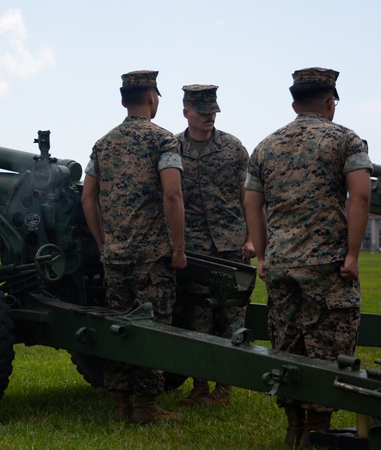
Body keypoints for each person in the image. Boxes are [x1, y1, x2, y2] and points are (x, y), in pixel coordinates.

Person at [243, 67, 372, 446]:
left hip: (281, 263)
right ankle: (317, 428)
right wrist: (351, 254)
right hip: (327, 266)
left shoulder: (266, 146)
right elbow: (361, 196)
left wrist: (263, 256)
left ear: (294, 102)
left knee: (288, 343)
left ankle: (294, 426)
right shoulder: (346, 140)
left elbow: (252, 203)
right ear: (330, 102)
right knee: (329, 344)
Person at [81, 69, 187, 425]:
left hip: (116, 256)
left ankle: (121, 404)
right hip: (151, 257)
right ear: (152, 98)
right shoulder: (164, 141)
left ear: (124, 100)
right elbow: (172, 195)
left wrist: (103, 243)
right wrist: (179, 247)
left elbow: (87, 199)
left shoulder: (103, 143)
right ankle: (146, 406)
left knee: (120, 327)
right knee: (152, 328)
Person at [172, 84, 254, 407]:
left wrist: (250, 238)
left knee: (231, 318)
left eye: (213, 112)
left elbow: (248, 196)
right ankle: (200, 386)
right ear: (186, 112)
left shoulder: (233, 149)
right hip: (193, 250)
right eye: (203, 112)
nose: (210, 117)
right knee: (196, 317)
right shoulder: (172, 148)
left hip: (232, 247)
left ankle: (225, 386)